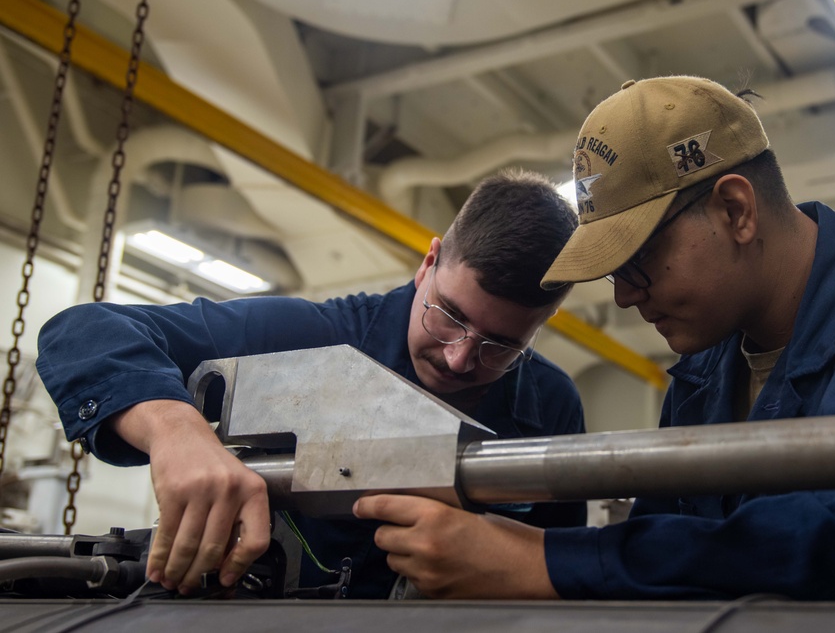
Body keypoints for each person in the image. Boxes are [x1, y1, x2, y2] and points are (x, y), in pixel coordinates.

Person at [352, 75, 835, 600]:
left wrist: (545, 560)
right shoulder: (707, 367)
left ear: (735, 210)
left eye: (637, 261)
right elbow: (665, 555)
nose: (624, 295)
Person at [35, 168, 586, 598]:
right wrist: (174, 430)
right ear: (430, 261)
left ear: (542, 325)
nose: (460, 357)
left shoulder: (554, 405)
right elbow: (83, 331)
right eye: (449, 316)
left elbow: (557, 566)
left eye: (501, 346)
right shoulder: (312, 337)